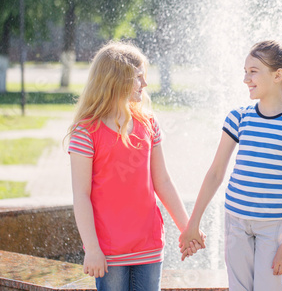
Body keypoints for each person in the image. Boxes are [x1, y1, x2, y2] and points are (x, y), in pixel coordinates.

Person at [179, 40, 282, 290]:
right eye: (245, 71)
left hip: (273, 226)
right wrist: (193, 224)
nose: (245, 79)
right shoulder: (239, 116)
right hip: (236, 221)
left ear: (278, 75)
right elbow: (215, 173)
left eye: (253, 71)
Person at [67, 41, 202, 291]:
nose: (145, 84)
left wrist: (187, 228)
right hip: (108, 251)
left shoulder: (149, 123)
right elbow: (81, 196)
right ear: (117, 80)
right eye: (139, 77)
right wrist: (92, 249)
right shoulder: (85, 133)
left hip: (149, 245)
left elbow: (162, 182)